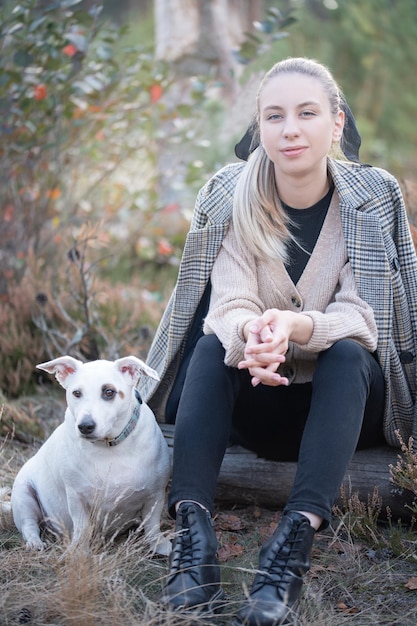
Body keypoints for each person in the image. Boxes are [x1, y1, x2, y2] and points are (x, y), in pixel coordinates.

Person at [139, 57, 417, 626]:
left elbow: (366, 313)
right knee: (214, 346)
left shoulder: (371, 198)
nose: (290, 129)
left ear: (336, 123)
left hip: (345, 406)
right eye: (274, 116)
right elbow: (229, 300)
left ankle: (290, 547)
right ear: (259, 128)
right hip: (257, 402)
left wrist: (296, 328)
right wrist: (253, 336)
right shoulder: (230, 194)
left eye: (307, 113)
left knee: (345, 353)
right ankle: (194, 540)